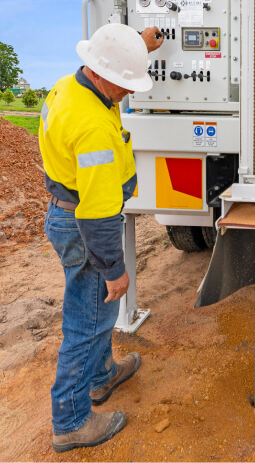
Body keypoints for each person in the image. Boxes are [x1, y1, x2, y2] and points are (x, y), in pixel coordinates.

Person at [38, 23, 163, 453]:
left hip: (66, 211)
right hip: (83, 223)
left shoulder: (68, 86)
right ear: (103, 74)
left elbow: (109, 68)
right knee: (87, 324)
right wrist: (114, 270)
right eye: (125, 83)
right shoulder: (92, 128)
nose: (128, 93)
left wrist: (135, 49)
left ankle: (100, 377)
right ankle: (71, 422)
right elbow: (98, 215)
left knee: (94, 316)